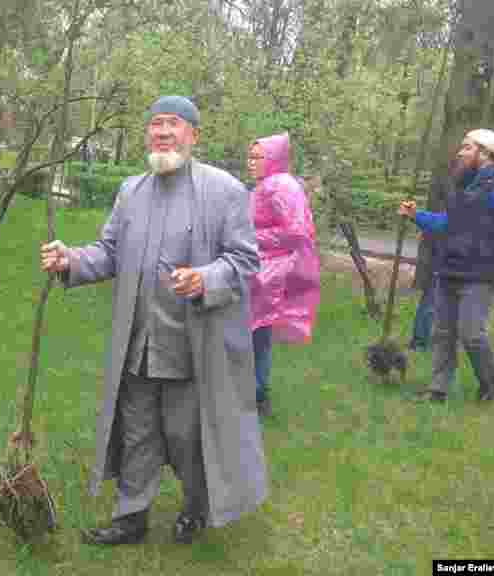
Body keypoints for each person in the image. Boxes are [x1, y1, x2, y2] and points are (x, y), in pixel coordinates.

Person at [40, 96, 267, 546]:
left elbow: (244, 260)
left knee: (187, 438)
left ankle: (197, 505)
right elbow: (108, 253)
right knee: (138, 431)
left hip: (189, 345)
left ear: (194, 135)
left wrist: (204, 279)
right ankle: (131, 517)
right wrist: (71, 259)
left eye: (174, 124)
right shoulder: (131, 191)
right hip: (137, 341)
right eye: (156, 124)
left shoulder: (225, 191)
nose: (163, 132)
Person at [399, 129, 494, 403]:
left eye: (467, 148)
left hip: (480, 274)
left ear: (485, 154)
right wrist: (416, 216)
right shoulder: (465, 188)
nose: (460, 152)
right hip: (450, 268)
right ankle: (438, 390)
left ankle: (491, 379)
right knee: (442, 333)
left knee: (471, 333)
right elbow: (447, 224)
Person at [247, 133, 320, 418]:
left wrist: (249, 236)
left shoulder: (280, 185)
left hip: (270, 273)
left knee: (255, 334)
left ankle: (256, 396)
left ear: (274, 158)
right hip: (261, 268)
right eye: (250, 157)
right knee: (254, 334)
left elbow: (296, 231)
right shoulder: (269, 184)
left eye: (257, 157)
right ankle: (253, 395)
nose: (250, 162)